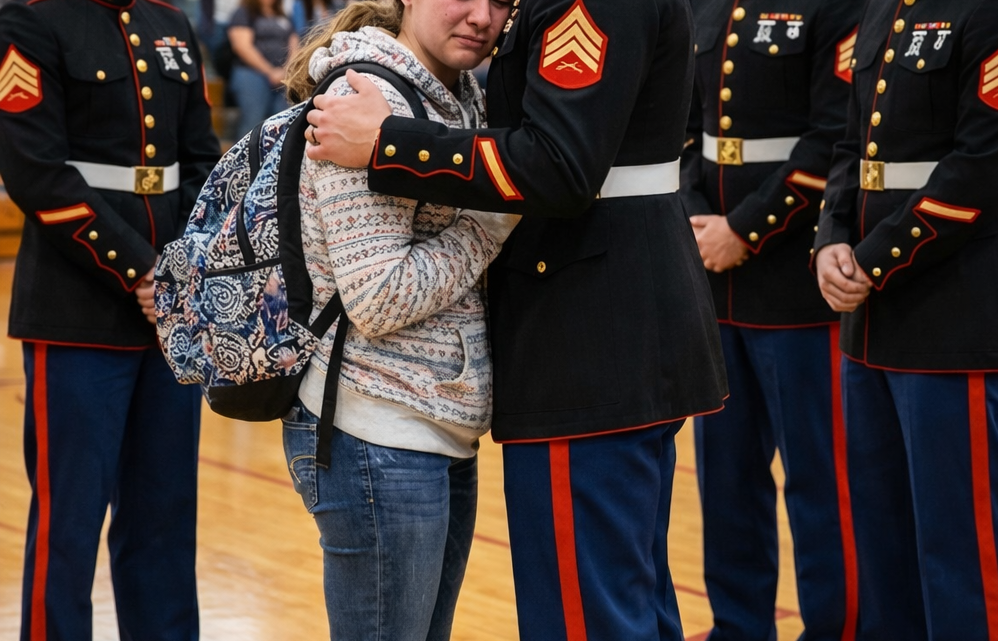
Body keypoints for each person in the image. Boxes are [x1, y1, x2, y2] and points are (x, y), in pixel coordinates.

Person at [300, 0, 730, 637]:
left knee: (589, 617)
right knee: (627, 603)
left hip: (585, 333)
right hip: (605, 325)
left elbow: (558, 164)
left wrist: (389, 140)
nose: (485, 14)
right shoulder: (381, 76)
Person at [278, 0, 515, 638]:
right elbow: (379, 297)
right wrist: (497, 212)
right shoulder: (367, 94)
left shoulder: (459, 94)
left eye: (500, 2)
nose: (480, 16)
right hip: (373, 430)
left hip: (434, 423)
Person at [0, 0, 222, 638]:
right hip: (76, 311)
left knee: (164, 517)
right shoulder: (33, 22)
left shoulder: (171, 25)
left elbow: (202, 159)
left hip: (168, 318)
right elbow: (36, 172)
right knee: (68, 526)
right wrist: (140, 269)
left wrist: (187, 264)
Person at [814, 0, 998, 637]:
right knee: (884, 542)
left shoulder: (994, 12)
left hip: (949, 315)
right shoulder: (881, 9)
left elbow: (987, 164)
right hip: (870, 327)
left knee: (961, 545)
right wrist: (828, 239)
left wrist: (872, 260)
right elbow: (851, 144)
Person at [679, 1, 861, 639]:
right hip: (717, 288)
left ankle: (837, 628)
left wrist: (743, 230)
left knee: (820, 484)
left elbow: (835, 134)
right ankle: (739, 625)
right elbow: (682, 125)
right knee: (726, 481)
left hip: (797, 289)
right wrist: (698, 218)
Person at [227, 0, 299, 137]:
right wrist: (270, 71)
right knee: (253, 121)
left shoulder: (283, 15)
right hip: (251, 73)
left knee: (283, 123)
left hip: (283, 76)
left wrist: (285, 70)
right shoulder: (243, 13)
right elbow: (242, 46)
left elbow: (294, 44)